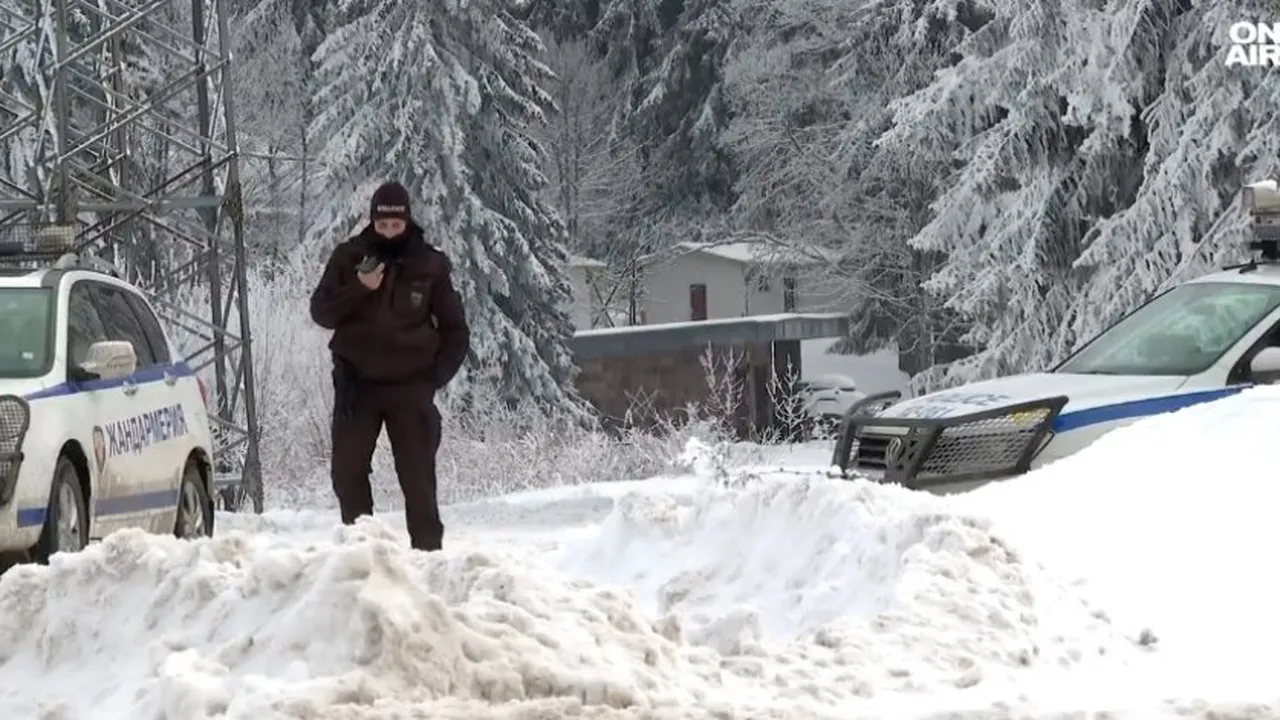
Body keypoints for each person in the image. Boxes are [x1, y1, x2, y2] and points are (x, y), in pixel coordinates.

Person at [308, 181, 470, 551]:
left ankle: (428, 559)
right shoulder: (350, 258)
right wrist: (360, 288)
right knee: (348, 473)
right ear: (373, 222)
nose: (389, 233)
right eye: (382, 226)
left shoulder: (429, 265)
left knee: (418, 478)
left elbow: (455, 331)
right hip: (357, 385)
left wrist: (434, 378)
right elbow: (321, 312)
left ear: (407, 222)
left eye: (396, 226)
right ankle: (361, 552)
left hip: (410, 386)